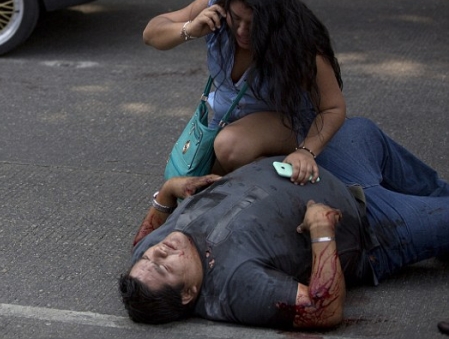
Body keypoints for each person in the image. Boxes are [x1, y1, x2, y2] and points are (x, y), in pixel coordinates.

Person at [120, 117, 449, 329]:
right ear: (189, 294)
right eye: (163, 266)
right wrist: (322, 234)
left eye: (150, 257)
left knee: (357, 129)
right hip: (374, 226)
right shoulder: (236, 287)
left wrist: (166, 193)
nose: (158, 251)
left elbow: (142, 241)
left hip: (321, 166)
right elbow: (323, 310)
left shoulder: (146, 262)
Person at [143, 0, 346, 185]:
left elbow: (333, 108)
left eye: (253, 25)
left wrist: (306, 151)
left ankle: (283, 177)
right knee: (184, 181)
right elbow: (151, 33)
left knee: (229, 146)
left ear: (274, 22)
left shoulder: (300, 42)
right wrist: (189, 29)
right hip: (224, 123)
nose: (241, 31)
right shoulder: (216, 5)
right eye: (236, 18)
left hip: (285, 124)